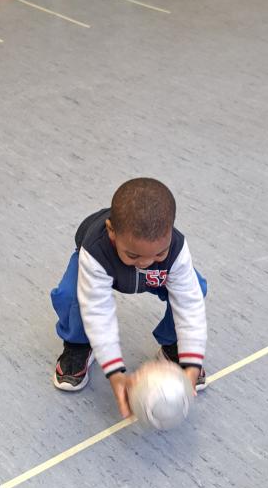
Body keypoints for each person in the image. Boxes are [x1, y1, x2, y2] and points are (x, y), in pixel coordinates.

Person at [50, 177, 207, 416]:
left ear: (170, 233)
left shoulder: (176, 249)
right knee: (70, 295)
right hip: (106, 269)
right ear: (112, 232)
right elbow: (97, 310)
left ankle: (172, 346)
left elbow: (189, 304)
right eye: (134, 255)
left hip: (156, 277)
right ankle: (78, 345)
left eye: (159, 253)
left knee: (197, 286)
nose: (146, 262)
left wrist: (192, 361)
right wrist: (114, 372)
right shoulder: (95, 250)